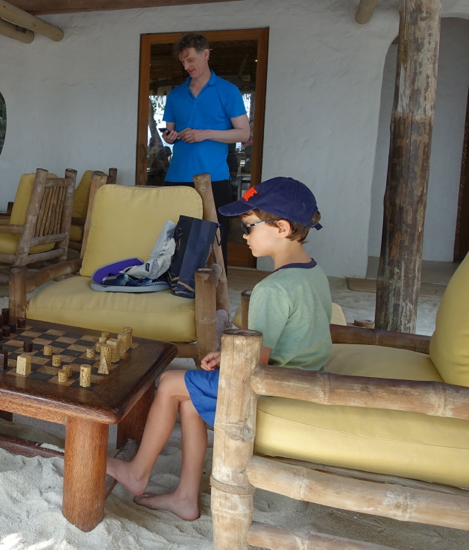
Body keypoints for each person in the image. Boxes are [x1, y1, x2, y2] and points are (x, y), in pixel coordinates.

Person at [106, 177, 332, 520]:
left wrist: (230, 360)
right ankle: (185, 497)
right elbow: (287, 338)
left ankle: (136, 473)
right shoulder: (313, 274)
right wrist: (227, 355)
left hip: (274, 390)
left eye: (249, 227)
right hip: (301, 379)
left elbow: (258, 360)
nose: (243, 236)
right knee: (189, 394)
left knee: (169, 384)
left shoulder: (273, 290)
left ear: (282, 228)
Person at [160, 33, 251, 269]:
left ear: (206, 54)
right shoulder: (175, 94)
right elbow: (169, 133)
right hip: (177, 177)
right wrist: (169, 136)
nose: (186, 66)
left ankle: (217, 299)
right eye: (183, 62)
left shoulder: (227, 91)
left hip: (214, 178)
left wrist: (205, 133)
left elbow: (243, 133)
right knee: (175, 241)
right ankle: (177, 291)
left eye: (190, 60)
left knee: (215, 242)